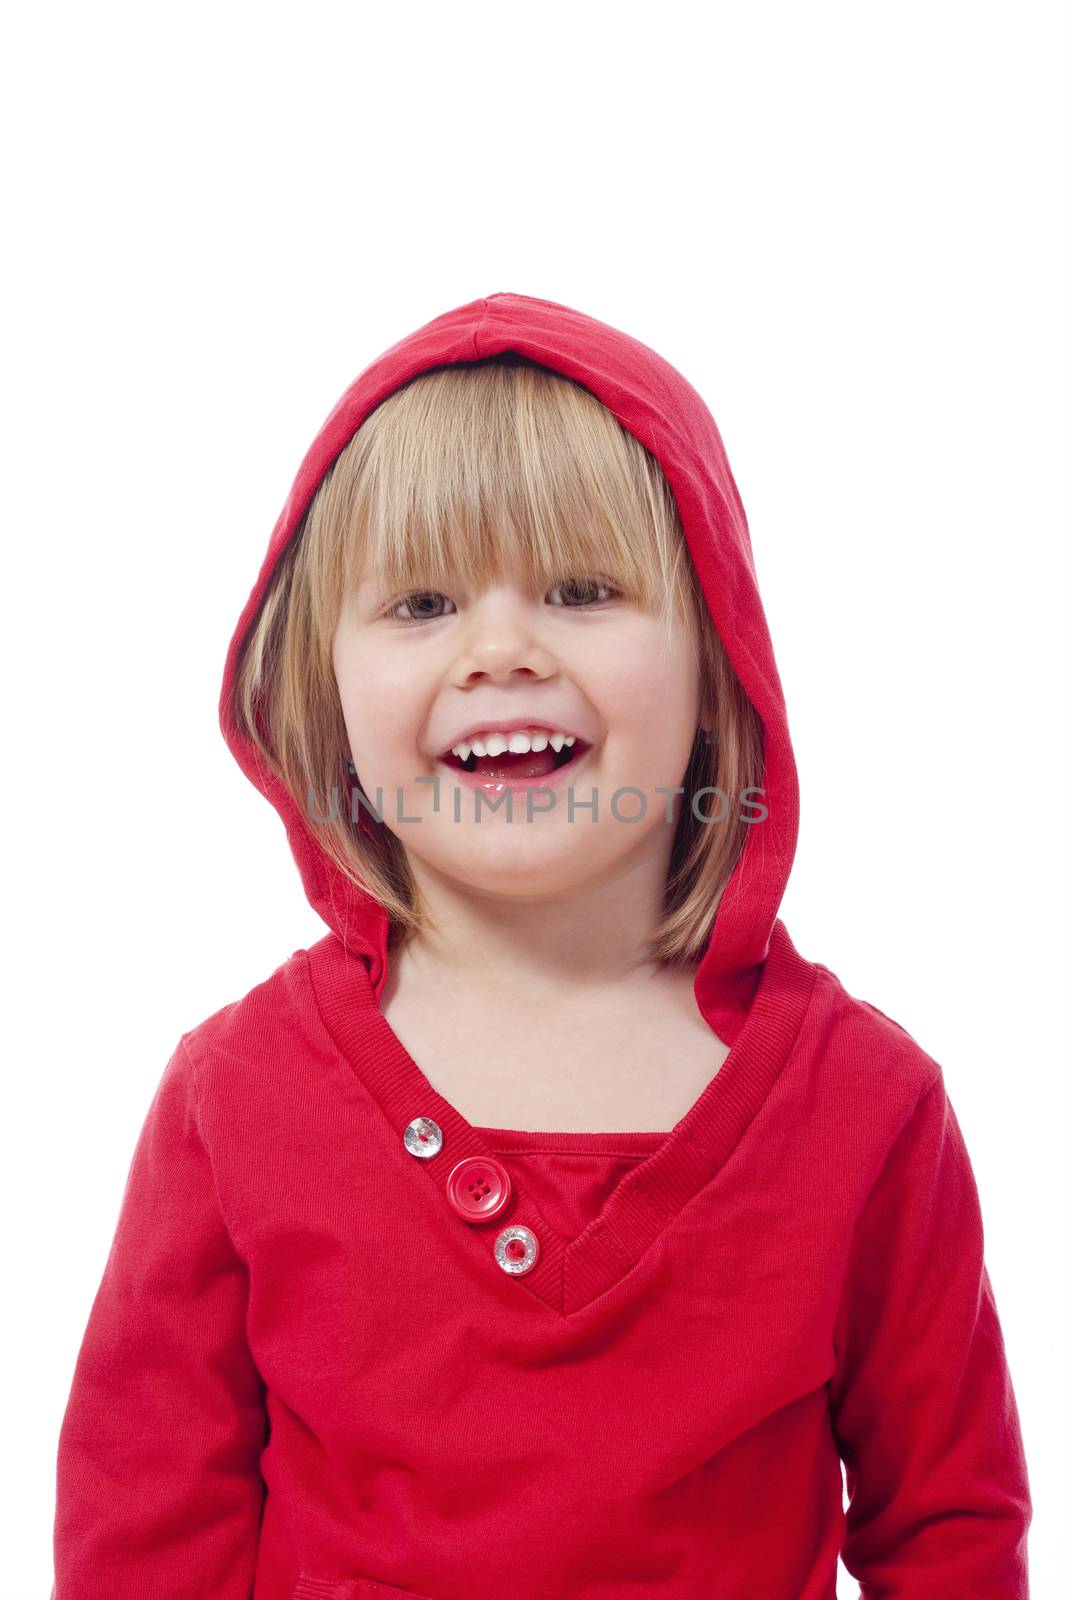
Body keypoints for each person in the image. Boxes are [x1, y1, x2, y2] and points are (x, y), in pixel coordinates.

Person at [50, 292, 1033, 1598]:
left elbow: (950, 1534)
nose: (501, 650)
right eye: (419, 604)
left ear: (717, 654)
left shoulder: (868, 1106)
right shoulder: (233, 1097)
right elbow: (143, 1530)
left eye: (582, 590)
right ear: (322, 693)